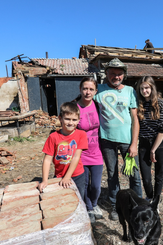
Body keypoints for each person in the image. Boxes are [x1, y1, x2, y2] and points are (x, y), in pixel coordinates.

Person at [95, 58, 142, 221]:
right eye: (112, 73)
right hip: (106, 140)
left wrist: (134, 143)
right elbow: (83, 100)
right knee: (112, 174)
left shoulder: (130, 91)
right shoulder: (98, 90)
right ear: (106, 74)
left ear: (124, 75)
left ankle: (137, 205)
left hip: (127, 141)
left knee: (134, 174)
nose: (116, 77)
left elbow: (135, 118)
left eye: (119, 74)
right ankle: (116, 206)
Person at [38, 102, 88, 202]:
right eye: (67, 119)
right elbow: (47, 160)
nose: (71, 122)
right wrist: (44, 180)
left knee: (78, 200)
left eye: (74, 120)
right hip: (59, 176)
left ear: (78, 120)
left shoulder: (81, 134)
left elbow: (76, 157)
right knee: (62, 201)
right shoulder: (53, 137)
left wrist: (67, 177)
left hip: (78, 175)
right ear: (60, 118)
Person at [135, 76, 163, 202]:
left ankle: (156, 201)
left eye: (147, 88)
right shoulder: (139, 104)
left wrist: (153, 150)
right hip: (144, 144)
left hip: (159, 144)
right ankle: (150, 196)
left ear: (152, 88)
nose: (144, 91)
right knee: (146, 177)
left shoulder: (161, 105)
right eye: (142, 88)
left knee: (158, 176)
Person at [76, 77, 104, 223]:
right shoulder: (74, 107)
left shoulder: (99, 106)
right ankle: (90, 207)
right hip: (80, 153)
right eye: (85, 88)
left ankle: (94, 203)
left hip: (97, 152)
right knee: (84, 183)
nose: (88, 92)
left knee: (96, 186)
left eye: (91, 89)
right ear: (80, 89)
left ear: (95, 91)